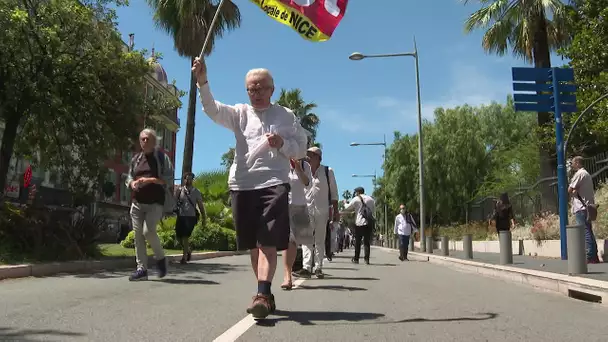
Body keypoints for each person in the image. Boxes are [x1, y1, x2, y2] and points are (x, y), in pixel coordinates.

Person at [192, 57, 308, 318]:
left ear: (272, 90)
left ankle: (262, 293)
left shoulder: (286, 116)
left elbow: (301, 147)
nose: (256, 94)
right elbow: (212, 109)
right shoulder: (240, 114)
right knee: (253, 247)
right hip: (242, 185)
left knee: (267, 242)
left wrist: (282, 144)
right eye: (251, 89)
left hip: (273, 184)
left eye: (261, 88)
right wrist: (202, 81)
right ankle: (265, 292)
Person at [125, 128, 174, 281]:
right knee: (138, 236)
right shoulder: (136, 159)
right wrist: (132, 183)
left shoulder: (161, 158)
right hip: (137, 203)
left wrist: (150, 180)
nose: (145, 141)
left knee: (148, 231)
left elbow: (169, 179)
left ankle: (160, 259)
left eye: (148, 139)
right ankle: (141, 269)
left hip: (155, 203)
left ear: (154, 142)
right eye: (142, 139)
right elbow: (128, 176)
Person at [294, 147, 339, 279]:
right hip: (306, 208)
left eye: (312, 155)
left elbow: (334, 193)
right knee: (306, 239)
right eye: (307, 155)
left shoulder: (327, 171)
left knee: (319, 239)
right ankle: (307, 267)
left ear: (319, 157)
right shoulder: (305, 171)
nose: (308, 158)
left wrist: (335, 211)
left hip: (322, 209)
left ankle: (318, 267)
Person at [282, 158, 312, 290]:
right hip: (283, 205)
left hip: (300, 206)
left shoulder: (305, 165)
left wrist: (298, 168)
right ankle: (287, 276)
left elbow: (307, 183)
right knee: (288, 240)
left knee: (295, 241)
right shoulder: (280, 161)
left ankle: (290, 273)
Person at [568, 156, 600, 264]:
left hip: (581, 207)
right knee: (589, 231)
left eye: (572, 163)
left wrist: (573, 190)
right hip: (587, 206)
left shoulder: (580, 174)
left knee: (585, 231)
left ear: (577, 163)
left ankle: (590, 256)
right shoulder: (586, 174)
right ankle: (594, 256)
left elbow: (570, 189)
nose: (571, 165)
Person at [174, 172, 205, 264]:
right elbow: (175, 202)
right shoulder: (179, 190)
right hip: (181, 216)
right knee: (178, 237)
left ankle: (184, 258)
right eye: (187, 179)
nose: (188, 180)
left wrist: (203, 217)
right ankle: (188, 250)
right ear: (184, 179)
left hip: (191, 217)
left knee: (185, 236)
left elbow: (200, 205)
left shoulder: (196, 192)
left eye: (190, 179)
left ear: (193, 180)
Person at [342, 187, 375, 264]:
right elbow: (373, 210)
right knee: (367, 242)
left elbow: (347, 207)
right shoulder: (371, 199)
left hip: (359, 222)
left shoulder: (356, 199)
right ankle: (367, 259)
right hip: (368, 222)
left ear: (358, 192)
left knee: (358, 242)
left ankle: (356, 259)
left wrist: (344, 203)